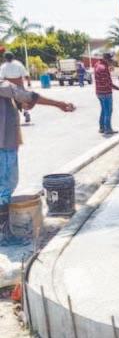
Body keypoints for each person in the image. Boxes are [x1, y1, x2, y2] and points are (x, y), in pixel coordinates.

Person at [0, 80, 75, 246]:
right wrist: (59, 104)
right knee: (4, 187)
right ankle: (3, 235)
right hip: (3, 145)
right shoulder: (5, 86)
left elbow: (24, 101)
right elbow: (29, 96)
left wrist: (25, 103)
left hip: (6, 144)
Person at [94, 53, 119, 135]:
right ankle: (108, 129)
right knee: (108, 111)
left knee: (103, 110)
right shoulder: (103, 68)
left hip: (99, 92)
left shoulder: (97, 64)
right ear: (107, 60)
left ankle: (102, 128)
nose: (111, 62)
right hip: (106, 93)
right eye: (110, 60)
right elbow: (108, 83)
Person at [0, 52, 32, 123]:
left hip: (8, 87)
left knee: (8, 101)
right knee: (23, 99)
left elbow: (1, 78)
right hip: (19, 85)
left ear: (5, 58)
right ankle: (26, 112)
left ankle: (11, 117)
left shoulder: (3, 66)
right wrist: (29, 83)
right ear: (13, 57)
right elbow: (26, 75)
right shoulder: (18, 64)